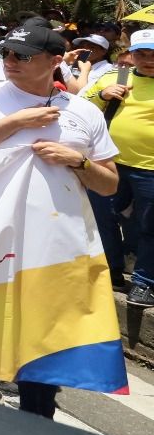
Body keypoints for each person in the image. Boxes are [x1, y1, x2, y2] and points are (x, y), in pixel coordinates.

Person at [0, 20, 118, 418]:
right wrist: (15, 123)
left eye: (22, 56)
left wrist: (78, 161)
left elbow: (108, 185)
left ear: (55, 61)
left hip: (52, 249)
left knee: (42, 342)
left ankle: (35, 430)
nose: (10, 62)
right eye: (6, 53)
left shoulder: (85, 112)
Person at [84, 28, 154, 303]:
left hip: (149, 168)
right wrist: (101, 96)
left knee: (149, 225)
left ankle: (144, 281)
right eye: (142, 54)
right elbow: (79, 107)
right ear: (131, 55)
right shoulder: (118, 76)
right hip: (107, 163)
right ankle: (110, 270)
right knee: (103, 219)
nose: (149, 60)